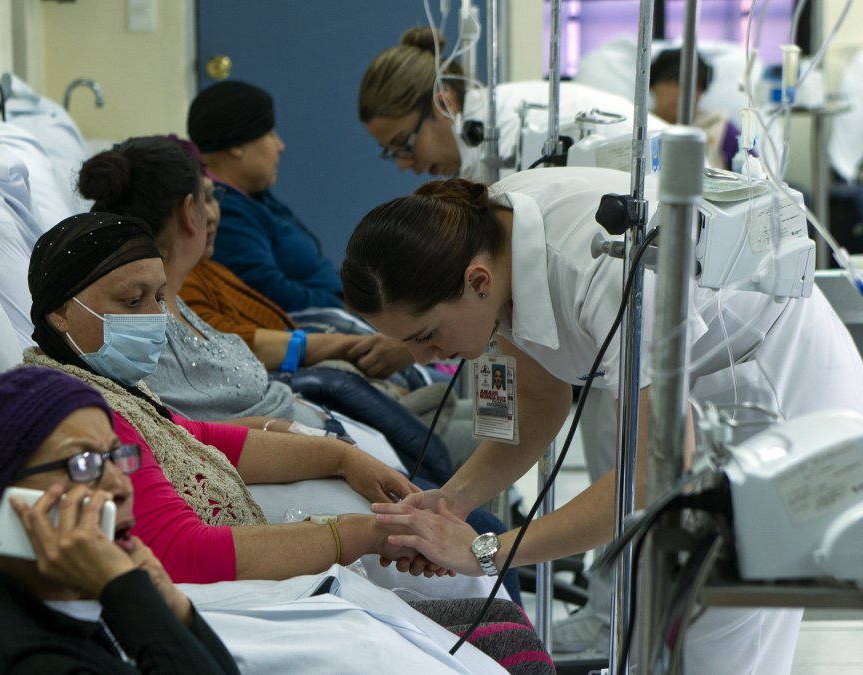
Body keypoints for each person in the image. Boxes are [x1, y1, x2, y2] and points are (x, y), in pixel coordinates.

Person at [341, 167, 863, 674]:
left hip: (776, 385)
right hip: (701, 386)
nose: (423, 358)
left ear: (477, 281)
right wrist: (449, 502)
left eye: (427, 335)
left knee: (712, 625)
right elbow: (538, 401)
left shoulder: (607, 270)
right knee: (661, 611)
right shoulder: (491, 243)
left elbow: (651, 475)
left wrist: (486, 551)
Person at [22, 210, 440, 586]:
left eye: (160, 298)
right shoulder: (80, 417)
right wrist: (358, 535)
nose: (155, 317)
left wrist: (341, 457)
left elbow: (195, 437)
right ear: (60, 312)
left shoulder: (109, 386)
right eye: (132, 301)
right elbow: (181, 553)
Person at [0, 366, 240, 674]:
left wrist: (175, 610)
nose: (121, 486)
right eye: (83, 464)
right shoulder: (23, 660)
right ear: (5, 502)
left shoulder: (59, 603)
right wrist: (130, 596)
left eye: (116, 457)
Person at [358, 27, 663, 180]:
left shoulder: (511, 138)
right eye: (391, 153)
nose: (404, 165)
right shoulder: (484, 134)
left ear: (444, 103)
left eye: (404, 144)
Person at [188, 80, 345, 314]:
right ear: (237, 144)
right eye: (270, 133)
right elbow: (270, 296)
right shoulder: (223, 214)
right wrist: (342, 305)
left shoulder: (254, 195)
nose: (280, 146)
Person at [650, 48, 739, 170]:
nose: (685, 92)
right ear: (653, 86)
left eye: (695, 84)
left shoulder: (722, 130)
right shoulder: (638, 129)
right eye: (675, 81)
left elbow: (756, 176)